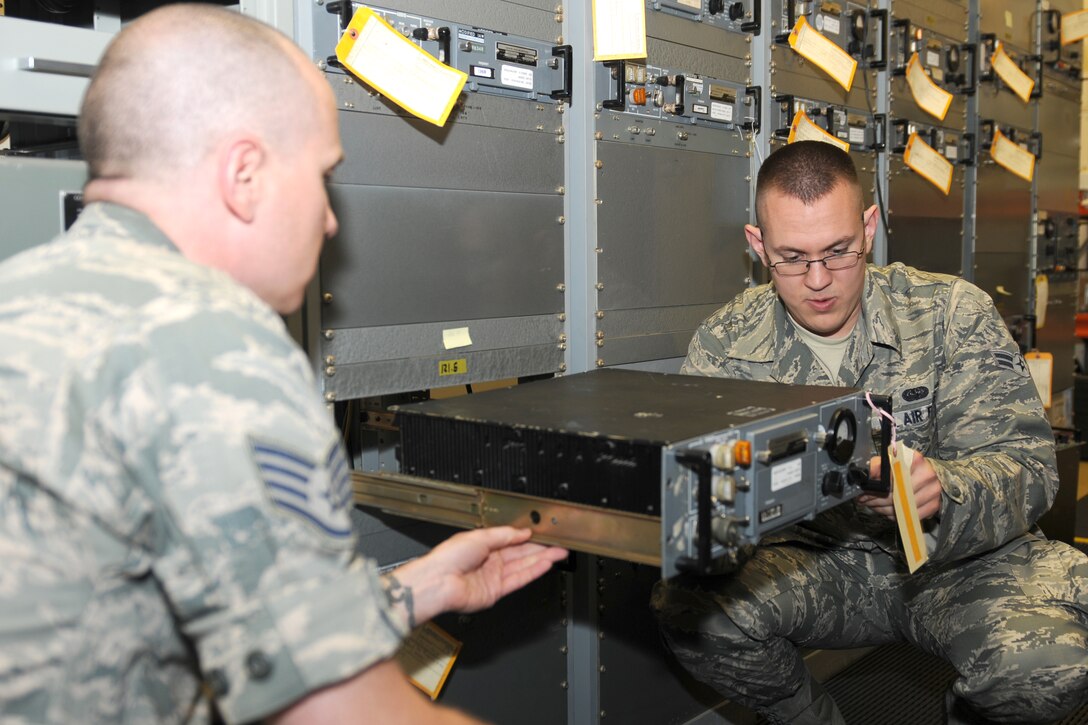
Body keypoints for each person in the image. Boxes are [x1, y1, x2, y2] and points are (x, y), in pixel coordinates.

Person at [0, 5, 567, 724]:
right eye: (324, 175)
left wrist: (413, 589)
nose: (331, 220)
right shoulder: (217, 347)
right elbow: (343, 712)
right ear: (245, 174)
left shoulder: (24, 294)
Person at [652, 140, 1088, 724]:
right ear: (758, 245)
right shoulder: (725, 344)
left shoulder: (951, 312)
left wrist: (942, 492)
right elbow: (710, 503)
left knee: (1049, 667)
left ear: (869, 227)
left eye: (838, 251)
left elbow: (1030, 469)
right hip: (819, 566)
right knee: (688, 610)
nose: (818, 280)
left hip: (954, 562)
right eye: (792, 257)